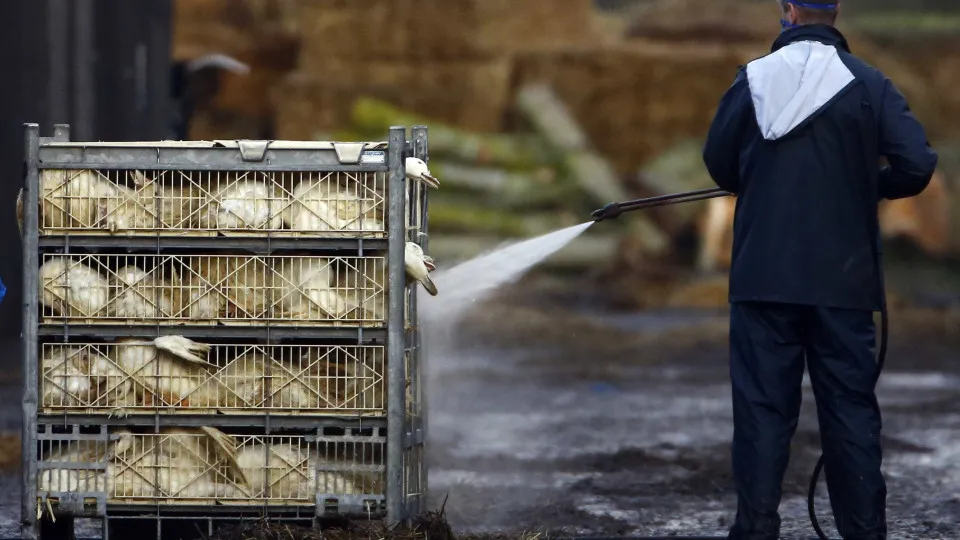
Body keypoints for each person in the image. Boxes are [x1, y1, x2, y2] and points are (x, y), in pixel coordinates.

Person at [701, 1, 938, 539]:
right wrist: (867, 186)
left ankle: (756, 530)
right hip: (843, 281)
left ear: (787, 12)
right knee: (850, 410)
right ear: (835, 13)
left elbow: (718, 163)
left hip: (763, 279)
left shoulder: (752, 79)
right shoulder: (869, 82)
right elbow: (917, 163)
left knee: (762, 412)